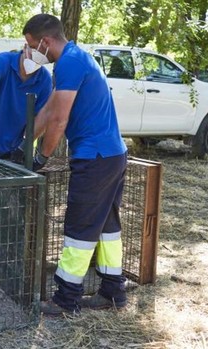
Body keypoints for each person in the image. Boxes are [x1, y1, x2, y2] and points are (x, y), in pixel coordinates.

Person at [22, 14, 128, 314]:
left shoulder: (69, 62)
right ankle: (113, 292)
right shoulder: (73, 58)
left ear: (45, 41)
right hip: (111, 154)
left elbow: (59, 119)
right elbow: (48, 109)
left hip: (95, 157)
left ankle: (66, 299)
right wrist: (25, 142)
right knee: (107, 227)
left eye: (31, 45)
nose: (30, 52)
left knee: (80, 226)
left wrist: (42, 156)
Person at [0, 45, 52, 158]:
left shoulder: (45, 79)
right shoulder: (2, 62)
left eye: (40, 60)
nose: (35, 62)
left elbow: (42, 118)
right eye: (33, 56)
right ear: (26, 48)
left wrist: (24, 145)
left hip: (16, 152)